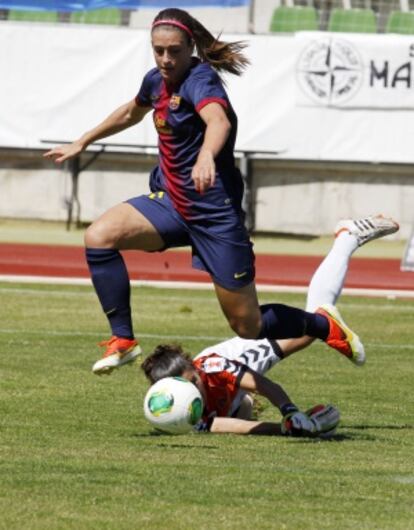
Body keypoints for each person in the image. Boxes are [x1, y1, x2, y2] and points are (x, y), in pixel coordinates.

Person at [43, 7, 393, 376]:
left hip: (214, 217)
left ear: (190, 46)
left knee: (248, 326)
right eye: (158, 50)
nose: (165, 58)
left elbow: (218, 119)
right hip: (173, 204)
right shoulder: (156, 81)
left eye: (174, 50)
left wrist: (207, 155)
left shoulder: (200, 80)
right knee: (99, 236)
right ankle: (124, 340)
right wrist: (82, 140)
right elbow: (132, 111)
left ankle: (324, 326)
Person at [141, 216, 399, 435]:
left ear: (193, 369)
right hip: (233, 400)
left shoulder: (213, 367)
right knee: (244, 409)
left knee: (311, 330)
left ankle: (347, 238)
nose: (195, 391)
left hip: (242, 356)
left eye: (194, 381)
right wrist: (289, 428)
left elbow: (264, 385)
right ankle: (347, 238)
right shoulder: (181, 412)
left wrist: (289, 413)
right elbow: (229, 426)